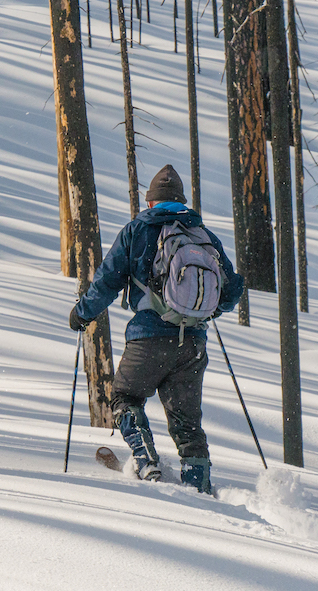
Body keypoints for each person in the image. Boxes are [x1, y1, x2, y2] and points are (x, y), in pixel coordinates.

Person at [68, 164, 244, 494]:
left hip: (147, 339)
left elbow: (108, 281)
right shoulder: (203, 235)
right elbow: (233, 289)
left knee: (125, 397)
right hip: (192, 344)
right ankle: (200, 485)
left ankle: (147, 462)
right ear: (181, 201)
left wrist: (81, 314)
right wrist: (201, 310)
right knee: (187, 422)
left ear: (151, 202)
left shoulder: (137, 230)